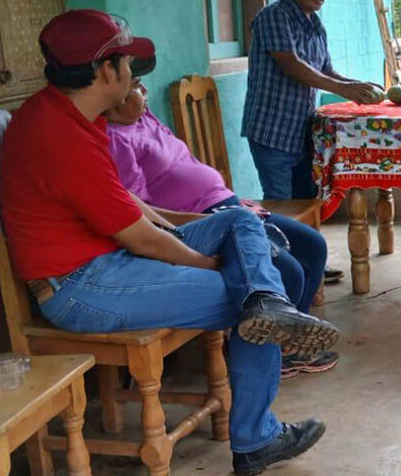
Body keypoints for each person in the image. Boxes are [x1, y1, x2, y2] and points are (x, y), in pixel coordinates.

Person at [0, 9, 341, 476]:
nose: (133, 76)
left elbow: (128, 204)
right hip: (80, 286)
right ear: (105, 72)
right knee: (250, 305)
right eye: (128, 64)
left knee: (239, 222)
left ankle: (265, 300)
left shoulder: (69, 114)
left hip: (108, 259)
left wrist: (192, 226)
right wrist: (205, 262)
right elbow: (142, 240)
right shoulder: (60, 137)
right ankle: (256, 437)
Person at [106, 78, 338, 379]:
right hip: (203, 219)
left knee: (313, 245)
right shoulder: (116, 140)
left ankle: (292, 339)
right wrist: (196, 220)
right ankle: (275, 354)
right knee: (289, 271)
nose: (146, 90)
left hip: (229, 204)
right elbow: (142, 208)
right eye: (137, 86)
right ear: (116, 99)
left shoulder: (145, 118)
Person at [242, 0, 381, 201]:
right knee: (281, 204)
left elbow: (326, 71)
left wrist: (357, 85)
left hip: (302, 133)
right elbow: (291, 65)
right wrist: (345, 90)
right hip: (272, 132)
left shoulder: (316, 25)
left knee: (307, 200)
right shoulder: (274, 16)